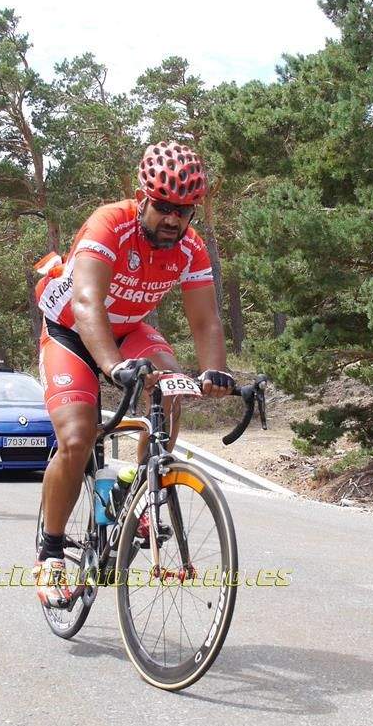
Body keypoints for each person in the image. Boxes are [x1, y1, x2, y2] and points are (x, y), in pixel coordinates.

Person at [31, 140, 235, 608]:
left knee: (172, 385)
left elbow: (206, 321)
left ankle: (143, 491)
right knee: (78, 439)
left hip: (128, 329)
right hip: (70, 329)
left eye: (184, 211)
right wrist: (113, 367)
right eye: (163, 207)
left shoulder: (191, 248)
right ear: (141, 197)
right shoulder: (110, 223)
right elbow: (85, 305)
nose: (173, 219)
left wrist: (215, 372)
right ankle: (52, 551)